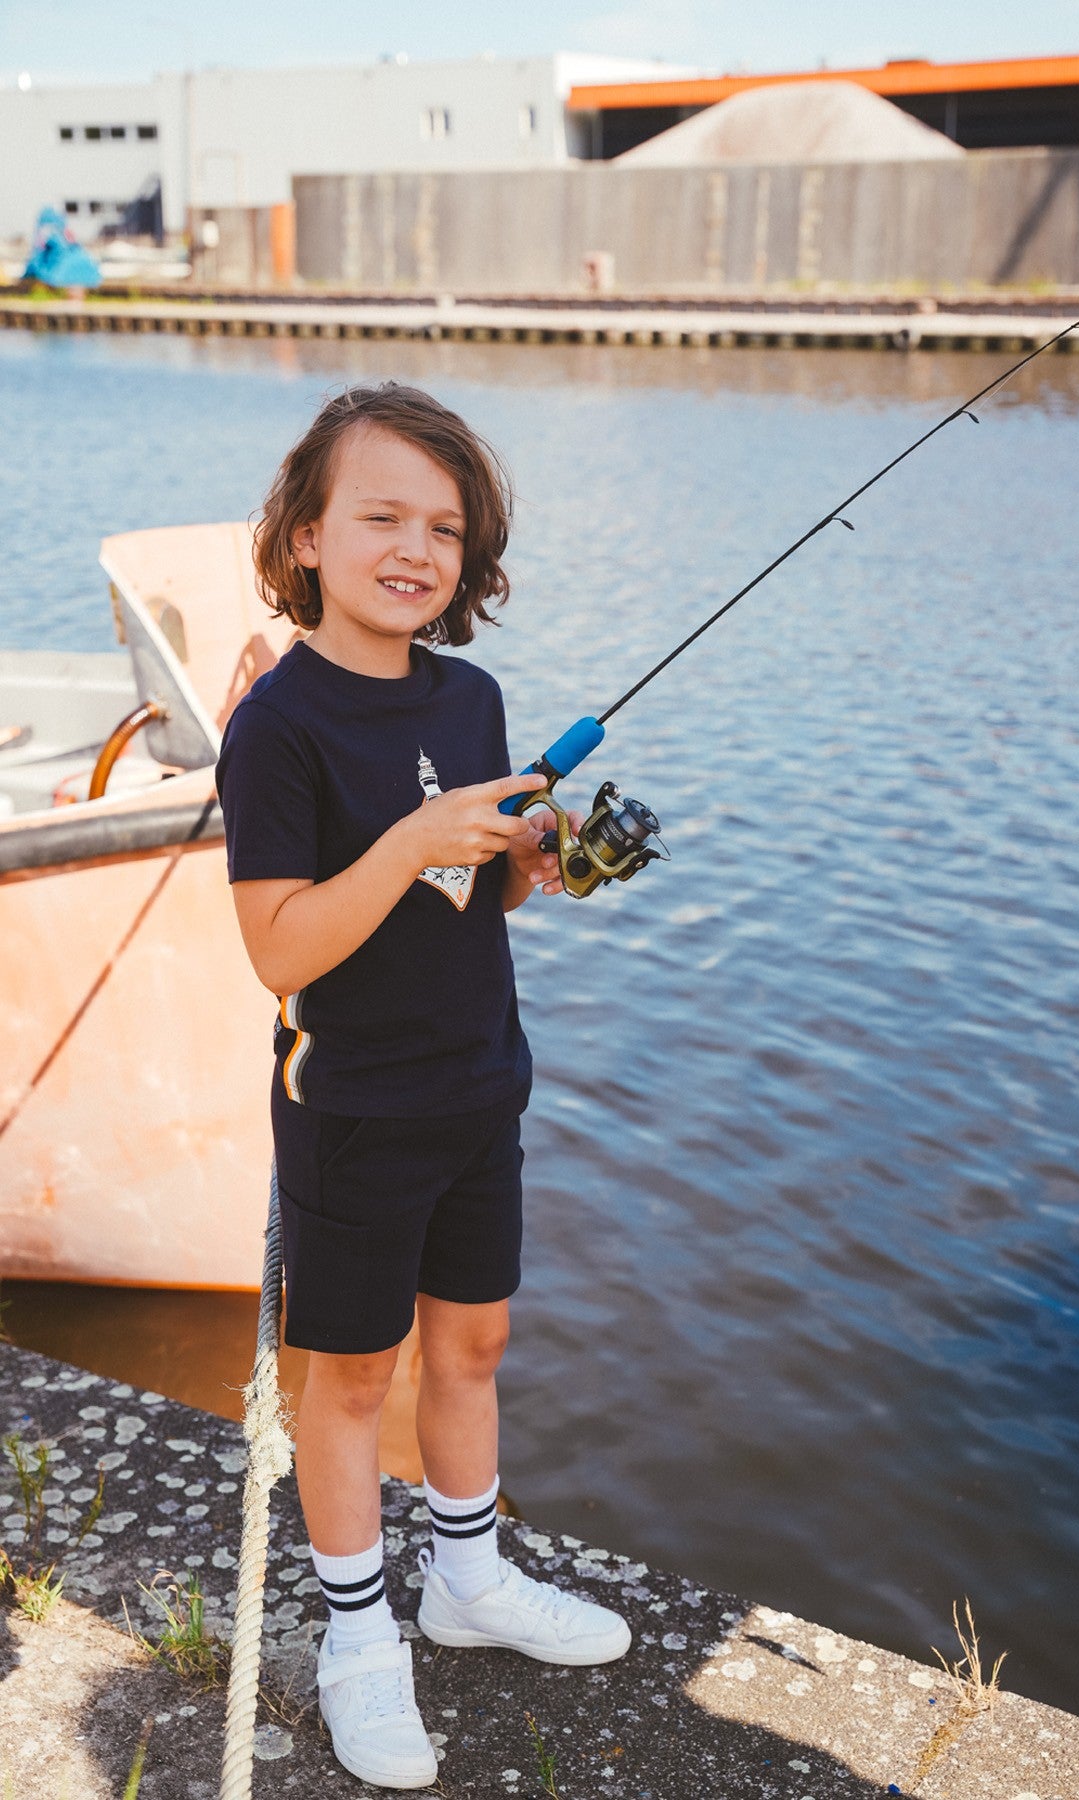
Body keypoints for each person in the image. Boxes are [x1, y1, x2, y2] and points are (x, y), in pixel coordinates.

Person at [215, 383, 630, 1790]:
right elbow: (280, 946)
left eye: (444, 526)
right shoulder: (279, 725)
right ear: (307, 534)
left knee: (475, 1348)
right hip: (351, 1109)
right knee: (350, 1381)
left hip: (478, 1088)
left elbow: (462, 904)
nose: (416, 546)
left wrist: (528, 867)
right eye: (381, 515)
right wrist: (408, 841)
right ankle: (356, 1643)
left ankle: (468, 1580)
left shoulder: (473, 693)